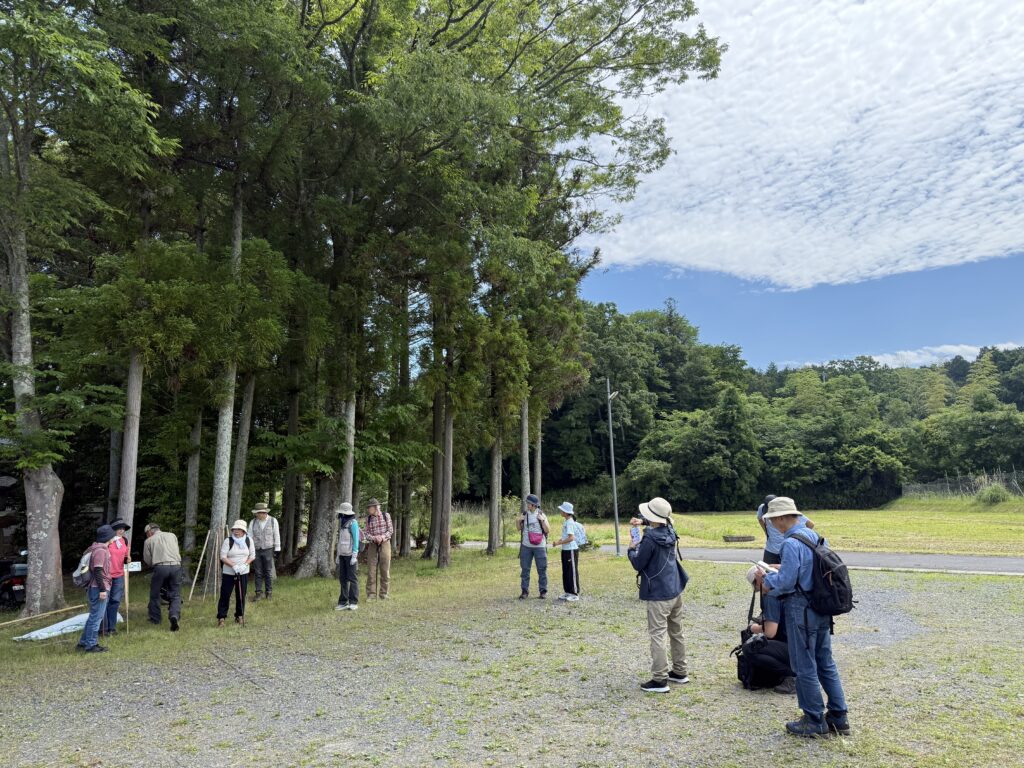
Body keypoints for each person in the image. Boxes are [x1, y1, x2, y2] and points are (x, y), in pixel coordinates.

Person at [757, 497, 850, 737]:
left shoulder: (790, 544)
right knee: (825, 662)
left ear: (780, 518)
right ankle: (839, 716)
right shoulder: (815, 537)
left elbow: (787, 582)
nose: (772, 525)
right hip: (822, 606)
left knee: (804, 664)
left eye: (772, 520)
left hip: (801, 608)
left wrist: (767, 581)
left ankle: (813, 718)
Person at [627, 497, 689, 693]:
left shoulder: (650, 538)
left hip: (658, 593)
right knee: (676, 632)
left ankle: (660, 679)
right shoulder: (670, 530)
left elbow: (638, 562)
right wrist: (643, 523)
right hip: (675, 588)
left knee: (657, 635)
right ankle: (680, 671)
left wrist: (630, 549)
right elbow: (663, 522)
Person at [744, 566, 795, 694]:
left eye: (756, 587)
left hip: (793, 649)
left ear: (759, 580)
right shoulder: (786, 586)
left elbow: (770, 632)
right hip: (805, 645)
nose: (758, 591)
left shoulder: (771, 595)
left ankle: (791, 676)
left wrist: (753, 628)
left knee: (750, 648)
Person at [77, 525, 114, 653]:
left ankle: (83, 643)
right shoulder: (101, 551)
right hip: (98, 587)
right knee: (96, 617)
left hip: (97, 587)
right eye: (113, 535)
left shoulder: (99, 549)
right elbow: (98, 571)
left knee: (94, 616)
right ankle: (91, 645)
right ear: (108, 537)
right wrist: (103, 590)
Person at [142, 522, 183, 631]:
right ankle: (174, 615)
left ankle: (155, 619)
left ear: (150, 532)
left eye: (147, 533)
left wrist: (154, 564)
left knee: (155, 594)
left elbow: (147, 559)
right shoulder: (172, 535)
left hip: (160, 567)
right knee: (176, 594)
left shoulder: (149, 541)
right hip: (176, 566)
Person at [756, 493, 815, 566]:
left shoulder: (790, 543)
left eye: (772, 518)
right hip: (770, 549)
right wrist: (766, 532)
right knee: (768, 570)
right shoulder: (762, 508)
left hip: (785, 550)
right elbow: (760, 518)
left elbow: (811, 524)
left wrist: (799, 536)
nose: (771, 521)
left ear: (781, 517)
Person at [218, 520, 255, 627]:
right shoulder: (228, 541)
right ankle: (221, 617)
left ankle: (239, 616)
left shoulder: (249, 540)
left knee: (241, 594)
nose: (236, 531)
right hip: (229, 572)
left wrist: (244, 565)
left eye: (239, 529)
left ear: (244, 531)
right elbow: (223, 556)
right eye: (234, 529)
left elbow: (252, 556)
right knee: (225, 595)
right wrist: (233, 565)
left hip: (243, 571)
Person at [516, 493, 549, 599]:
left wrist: (542, 521)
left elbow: (548, 530)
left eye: (528, 503)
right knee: (525, 569)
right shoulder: (524, 514)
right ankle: (524, 591)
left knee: (542, 569)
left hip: (540, 546)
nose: (527, 504)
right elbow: (518, 528)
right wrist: (518, 520)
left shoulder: (542, 515)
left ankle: (543, 591)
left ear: (534, 505)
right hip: (526, 546)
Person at [102, 518, 131, 637]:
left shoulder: (124, 540)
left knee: (115, 601)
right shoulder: (106, 540)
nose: (121, 530)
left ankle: (112, 628)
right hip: (106, 575)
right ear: (113, 530)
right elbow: (99, 551)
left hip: (119, 575)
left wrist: (128, 559)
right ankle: (103, 628)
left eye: (123, 528)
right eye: (119, 528)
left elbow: (126, 556)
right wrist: (108, 542)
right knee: (104, 601)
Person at [249, 502, 280, 601]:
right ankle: (258, 593)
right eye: (258, 513)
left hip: (268, 549)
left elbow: (276, 535)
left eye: (262, 512)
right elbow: (249, 537)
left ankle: (269, 593)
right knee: (258, 572)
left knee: (268, 571)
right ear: (256, 513)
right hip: (256, 550)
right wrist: (249, 550)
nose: (260, 514)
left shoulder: (273, 521)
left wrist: (277, 548)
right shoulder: (252, 522)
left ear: (266, 512)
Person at [364, 498, 393, 600]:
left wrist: (382, 537)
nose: (368, 509)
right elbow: (366, 534)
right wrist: (374, 538)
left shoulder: (386, 516)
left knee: (385, 569)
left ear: (376, 507)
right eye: (368, 508)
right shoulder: (368, 519)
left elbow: (390, 530)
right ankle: (371, 595)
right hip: (373, 544)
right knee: (371, 570)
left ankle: (384, 594)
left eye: (370, 507)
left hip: (385, 543)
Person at [551, 501, 581, 601]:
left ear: (566, 512)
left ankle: (574, 593)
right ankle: (568, 592)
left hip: (571, 550)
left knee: (572, 571)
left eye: (562, 510)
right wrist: (557, 542)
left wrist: (559, 543)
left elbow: (571, 538)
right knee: (566, 571)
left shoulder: (570, 522)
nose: (560, 511)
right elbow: (565, 536)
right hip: (565, 550)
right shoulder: (566, 521)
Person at [335, 502, 360, 611]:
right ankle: (343, 602)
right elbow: (340, 542)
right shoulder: (342, 523)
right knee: (343, 579)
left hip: (350, 555)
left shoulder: (353, 523)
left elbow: (356, 540)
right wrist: (337, 555)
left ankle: (353, 601)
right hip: (342, 555)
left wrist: (354, 555)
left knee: (352, 578)